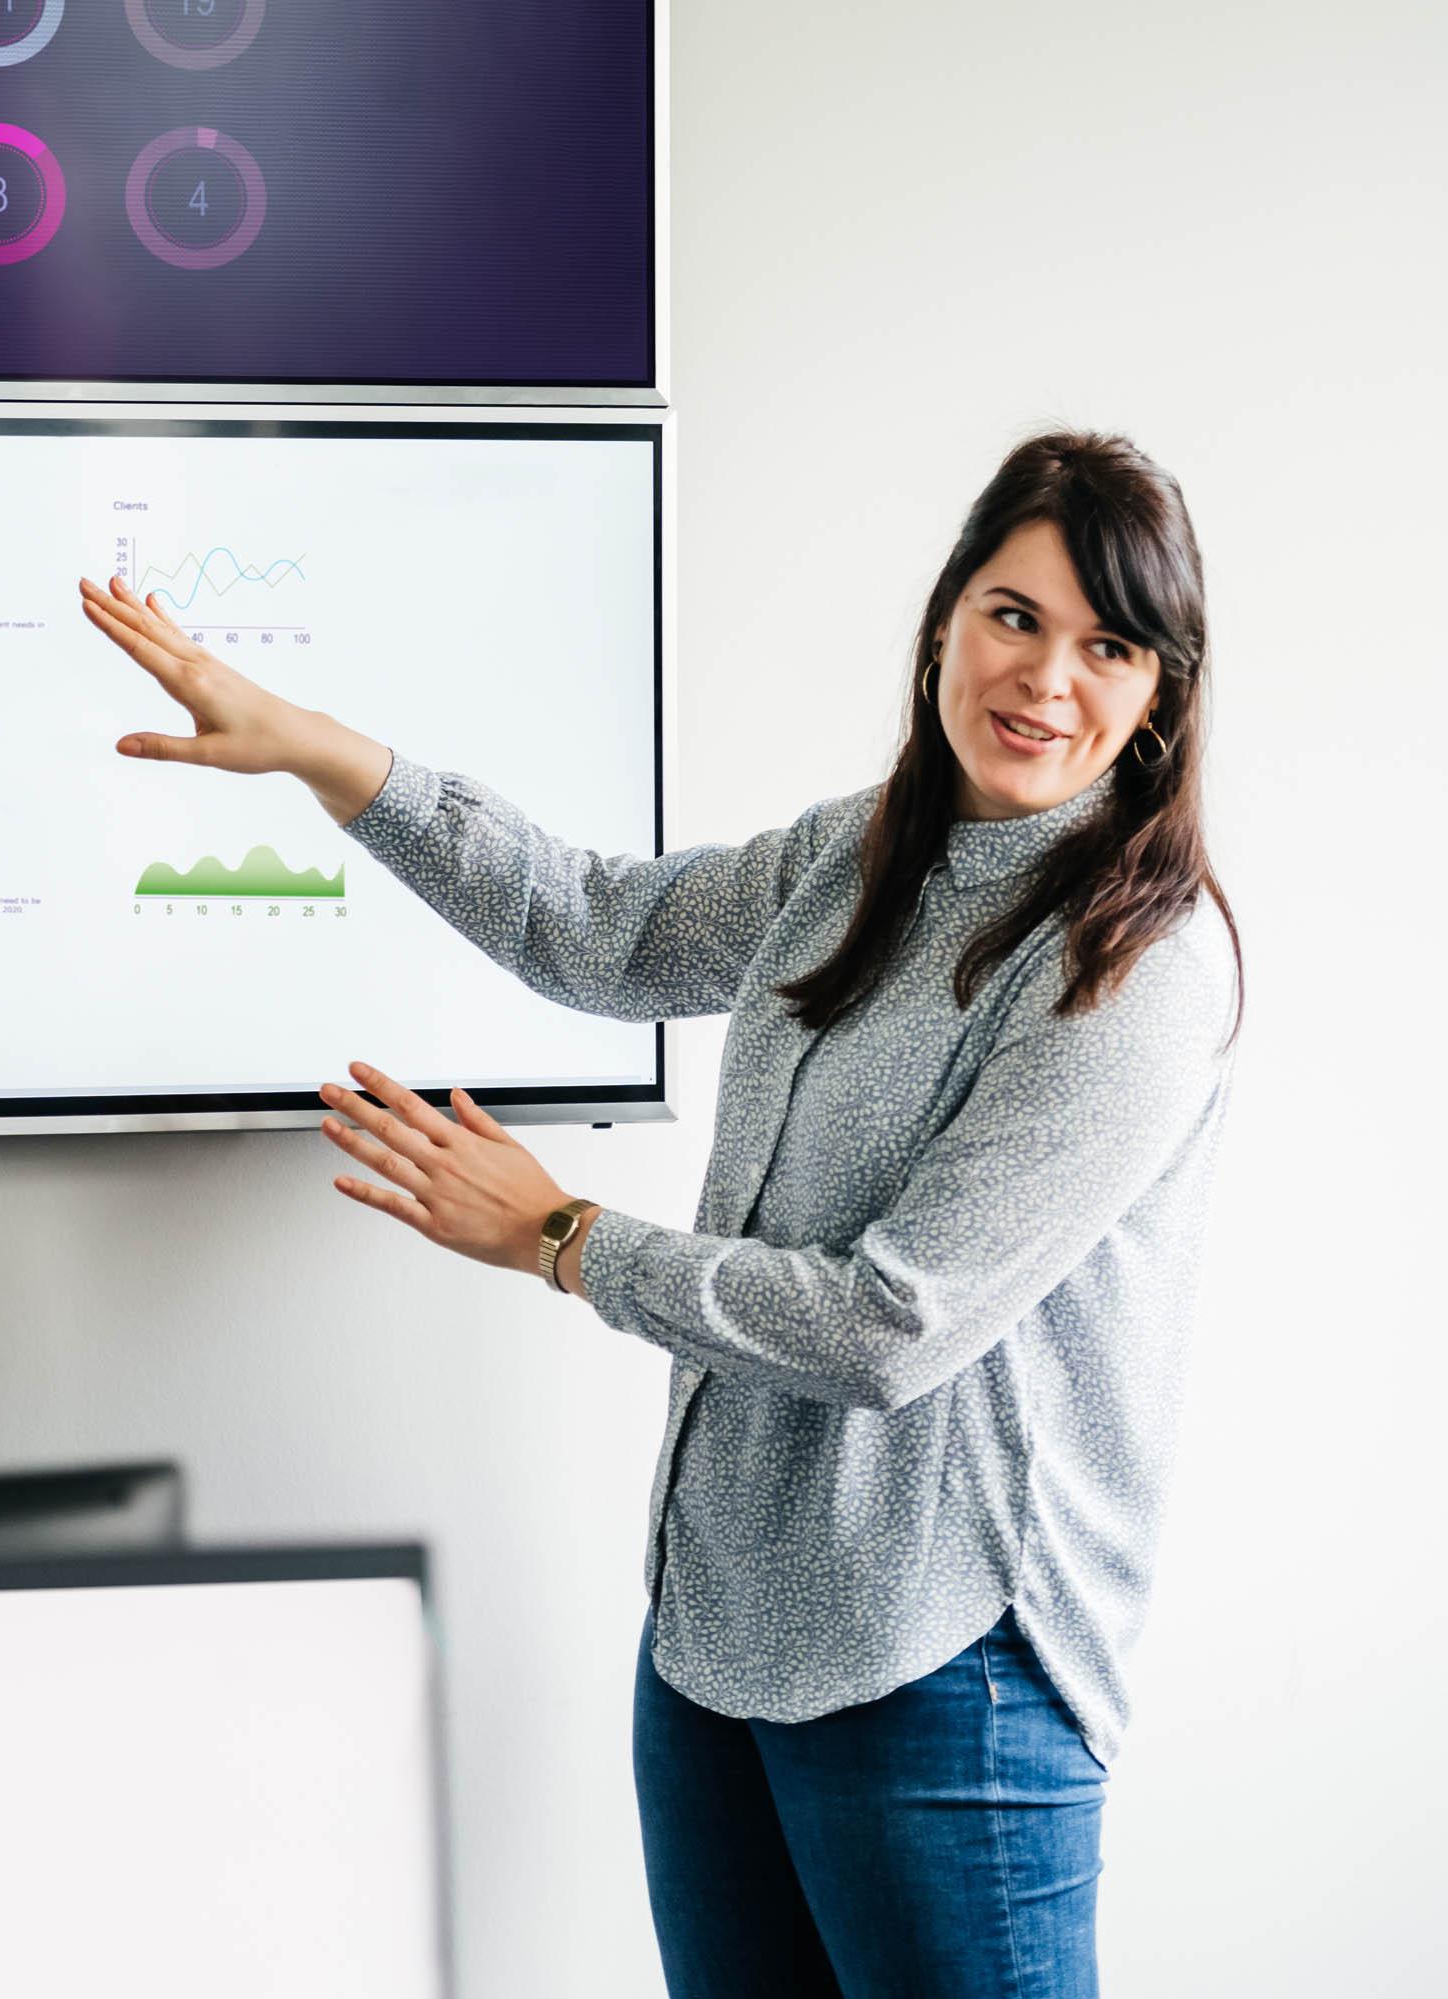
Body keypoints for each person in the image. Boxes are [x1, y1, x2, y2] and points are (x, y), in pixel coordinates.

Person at [78, 429, 1244, 1998]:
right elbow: (597, 932)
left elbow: (891, 1323)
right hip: (709, 1641)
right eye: (1014, 615)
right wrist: (316, 750)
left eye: (1110, 645)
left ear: (1162, 693)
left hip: (942, 1663)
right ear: (946, 623)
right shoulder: (859, 852)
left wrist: (565, 1237)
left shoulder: (1134, 970)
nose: (1047, 678)